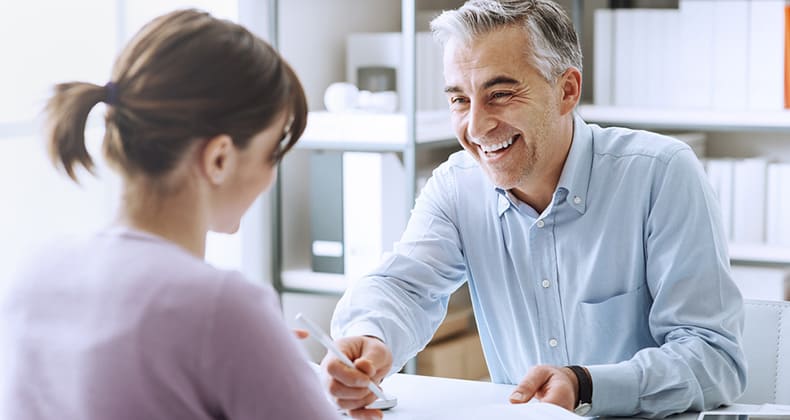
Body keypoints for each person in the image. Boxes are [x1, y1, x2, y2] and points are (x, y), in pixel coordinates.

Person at [323, 0, 747, 418]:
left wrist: (585, 384)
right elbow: (404, 287)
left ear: (567, 90)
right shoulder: (457, 186)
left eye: (500, 94)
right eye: (459, 100)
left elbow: (714, 358)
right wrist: (370, 335)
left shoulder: (661, 174)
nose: (475, 127)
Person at [0, 9, 362, 420]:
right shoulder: (223, 308)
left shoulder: (33, 273)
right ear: (220, 158)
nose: (271, 175)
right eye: (272, 153)